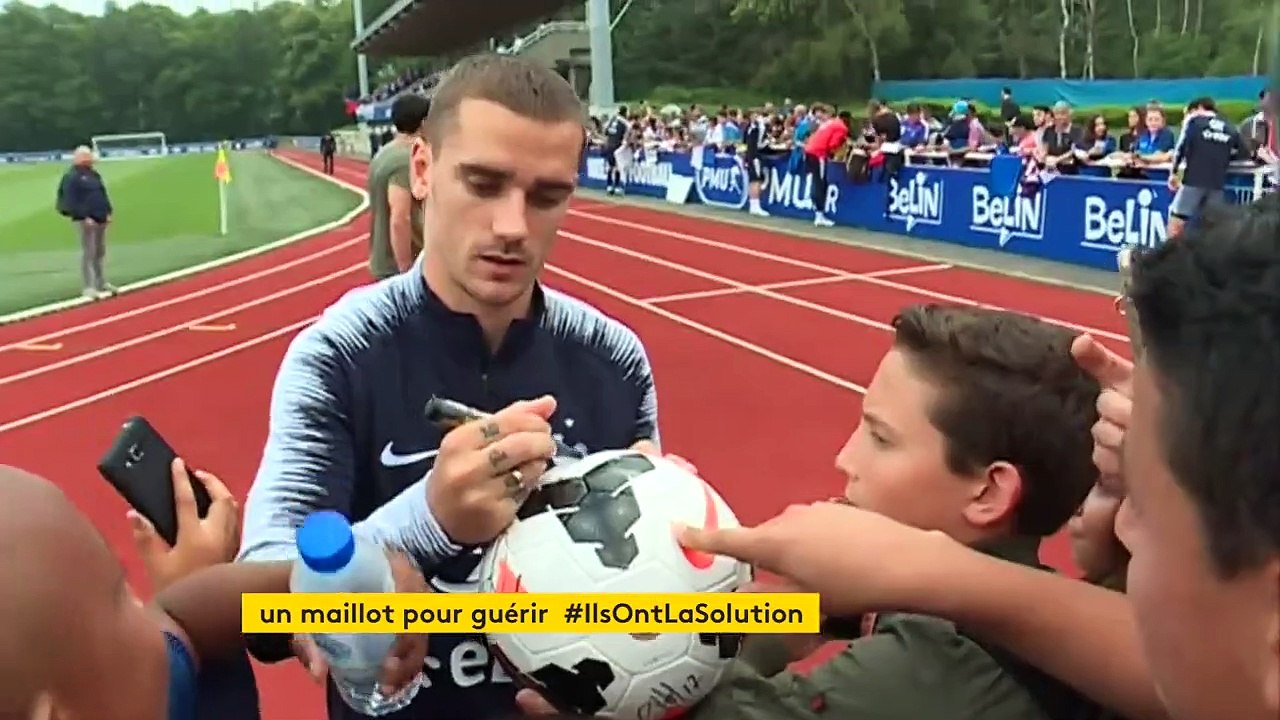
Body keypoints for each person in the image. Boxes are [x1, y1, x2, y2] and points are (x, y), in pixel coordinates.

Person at [671, 195, 1280, 720]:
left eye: (1145, 511)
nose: (1116, 524)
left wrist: (650, 600)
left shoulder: (931, 670)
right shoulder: (1038, 639)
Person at [237, 53, 677, 720]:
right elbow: (259, 604)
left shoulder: (612, 357)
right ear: (422, 170)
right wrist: (429, 522)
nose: (513, 226)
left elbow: (654, 594)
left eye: (547, 196)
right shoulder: (339, 353)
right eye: (483, 183)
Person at [517, 304, 1103, 720]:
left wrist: (615, 661)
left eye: (881, 438)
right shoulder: (1049, 624)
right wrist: (786, 611)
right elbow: (807, 615)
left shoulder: (930, 673)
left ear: (989, 494)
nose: (845, 458)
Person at [0, 462, 424, 720]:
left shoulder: (129, 701)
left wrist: (324, 586)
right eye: (119, 595)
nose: (143, 604)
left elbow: (183, 616)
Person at [367, 94, 430, 280]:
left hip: (384, 260)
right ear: (424, 122)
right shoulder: (405, 159)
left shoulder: (384, 153)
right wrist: (406, 271)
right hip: (398, 266)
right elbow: (400, 217)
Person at [1166, 97, 1242, 238]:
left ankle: (1170, 257)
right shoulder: (1230, 127)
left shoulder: (1194, 121)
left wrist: (1173, 173)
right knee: (1213, 228)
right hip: (1217, 184)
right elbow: (1241, 152)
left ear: (1198, 108)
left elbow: (1181, 148)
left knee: (1176, 221)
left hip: (1193, 181)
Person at [56, 145, 116, 299]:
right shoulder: (72, 177)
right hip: (85, 220)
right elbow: (69, 200)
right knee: (88, 252)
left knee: (99, 251)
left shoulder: (94, 175)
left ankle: (100, 281)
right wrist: (82, 216)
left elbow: (102, 193)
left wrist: (108, 211)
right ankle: (88, 286)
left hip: (100, 217)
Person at [801, 104, 848, 228]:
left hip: (810, 151)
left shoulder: (827, 124)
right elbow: (833, 144)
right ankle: (819, 214)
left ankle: (818, 211)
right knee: (820, 183)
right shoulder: (840, 127)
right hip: (818, 154)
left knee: (817, 181)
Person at [602, 105, 630, 196]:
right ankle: (617, 186)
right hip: (618, 146)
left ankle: (609, 186)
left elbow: (605, 131)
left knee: (611, 166)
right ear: (625, 112)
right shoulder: (626, 123)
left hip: (609, 144)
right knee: (617, 166)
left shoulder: (612, 119)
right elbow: (626, 135)